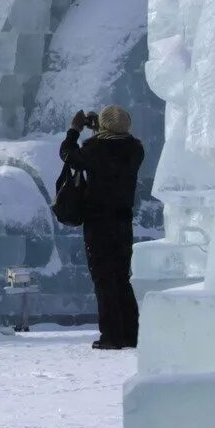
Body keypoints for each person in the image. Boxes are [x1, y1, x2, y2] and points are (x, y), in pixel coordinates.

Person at [62, 105, 145, 349]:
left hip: (98, 221)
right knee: (121, 277)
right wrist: (101, 127)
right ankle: (131, 333)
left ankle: (111, 336)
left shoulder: (94, 149)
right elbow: (114, 142)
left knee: (103, 277)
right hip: (123, 221)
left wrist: (75, 130)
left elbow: (67, 153)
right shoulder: (136, 149)